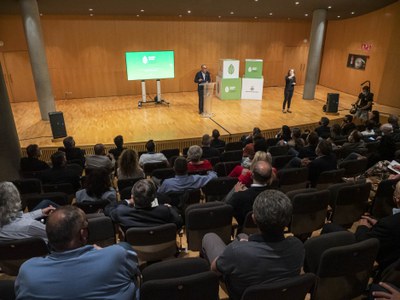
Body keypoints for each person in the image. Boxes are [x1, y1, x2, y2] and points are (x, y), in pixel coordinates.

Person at [15, 205, 140, 300]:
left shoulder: (27, 271)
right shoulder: (116, 255)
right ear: (83, 234)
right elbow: (135, 270)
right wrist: (105, 253)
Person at [202, 189, 304, 300]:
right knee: (243, 236)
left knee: (210, 237)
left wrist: (236, 250)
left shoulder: (236, 251)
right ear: (288, 220)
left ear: (254, 218)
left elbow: (215, 270)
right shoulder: (298, 246)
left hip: (240, 293)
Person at [105, 179, 182, 232]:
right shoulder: (164, 211)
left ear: (132, 197)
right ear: (153, 198)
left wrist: (127, 201)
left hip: (135, 252)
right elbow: (179, 222)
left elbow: (108, 208)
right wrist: (170, 208)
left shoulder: (121, 212)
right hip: (162, 251)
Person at [227, 160, 274, 228]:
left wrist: (236, 193)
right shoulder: (278, 193)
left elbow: (226, 210)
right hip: (270, 230)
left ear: (252, 175)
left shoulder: (239, 197)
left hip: (244, 235)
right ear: (270, 177)